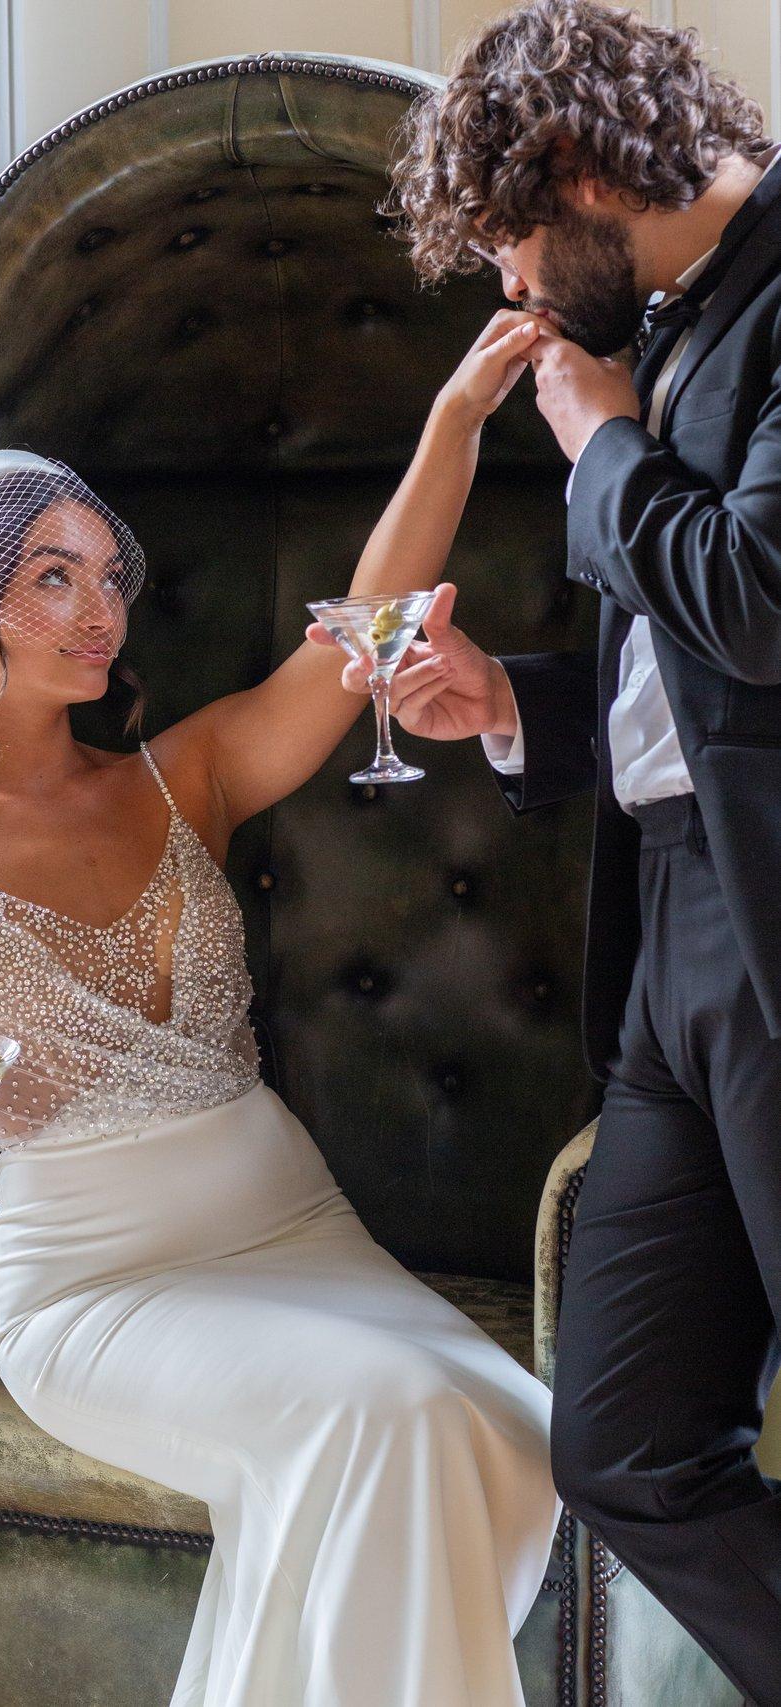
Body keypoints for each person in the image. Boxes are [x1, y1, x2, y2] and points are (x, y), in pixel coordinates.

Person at [0, 310, 562, 1707]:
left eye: (107, 578)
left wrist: (455, 417)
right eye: (52, 579)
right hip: (93, 1278)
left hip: (285, 1218)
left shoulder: (179, 775)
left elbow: (362, 635)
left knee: (508, 1430)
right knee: (388, 1422)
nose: (99, 612)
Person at [314, 3, 781, 1700]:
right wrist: (500, 704)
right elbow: (689, 684)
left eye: (512, 235)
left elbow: (758, 595)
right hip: (671, 943)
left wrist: (595, 438)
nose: (511, 283)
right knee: (628, 1446)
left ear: (581, 168)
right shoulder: (667, 324)